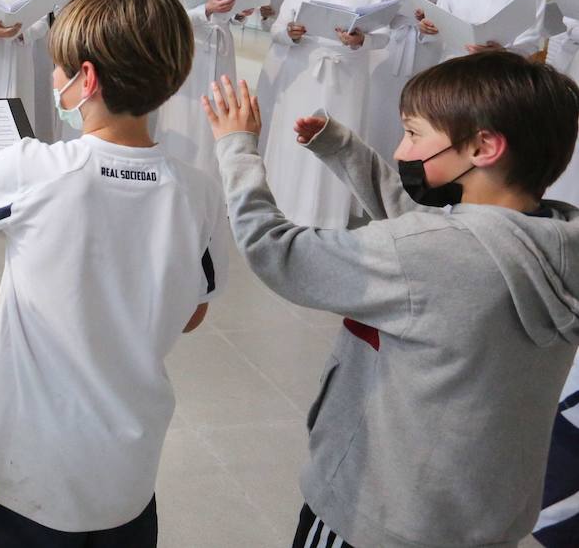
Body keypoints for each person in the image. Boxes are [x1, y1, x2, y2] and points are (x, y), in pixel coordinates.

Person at [202, 52, 579, 548]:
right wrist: (342, 148)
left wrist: (237, 149)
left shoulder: (428, 256)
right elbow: (437, 236)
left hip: (375, 518)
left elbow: (276, 251)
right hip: (482, 520)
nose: (403, 149)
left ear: (483, 146)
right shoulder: (553, 243)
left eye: (414, 134)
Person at [0, 0, 227, 546]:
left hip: (25, 468)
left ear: (84, 80)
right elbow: (191, 315)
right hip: (126, 471)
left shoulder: (37, 167)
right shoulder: (198, 192)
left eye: (57, 69)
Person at [263, 0, 385, 228]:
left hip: (347, 77)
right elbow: (277, 29)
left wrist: (361, 40)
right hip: (302, 72)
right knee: (298, 134)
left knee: (338, 138)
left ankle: (330, 213)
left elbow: (384, 36)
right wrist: (289, 34)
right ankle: (287, 203)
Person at [157, 0, 253, 175]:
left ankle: (213, 174)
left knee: (218, 106)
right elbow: (173, 16)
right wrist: (205, 10)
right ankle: (179, 168)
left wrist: (242, 11)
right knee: (187, 110)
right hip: (191, 47)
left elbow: (236, 14)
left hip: (221, 45)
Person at [363, 0, 448, 158]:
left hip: (426, 54)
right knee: (382, 111)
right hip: (390, 54)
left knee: (421, 111)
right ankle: (379, 159)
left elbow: (451, 19)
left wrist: (429, 24)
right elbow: (371, 17)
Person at [254, 0, 326, 154]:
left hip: (308, 61)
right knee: (271, 108)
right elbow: (270, 27)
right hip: (279, 56)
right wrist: (267, 15)